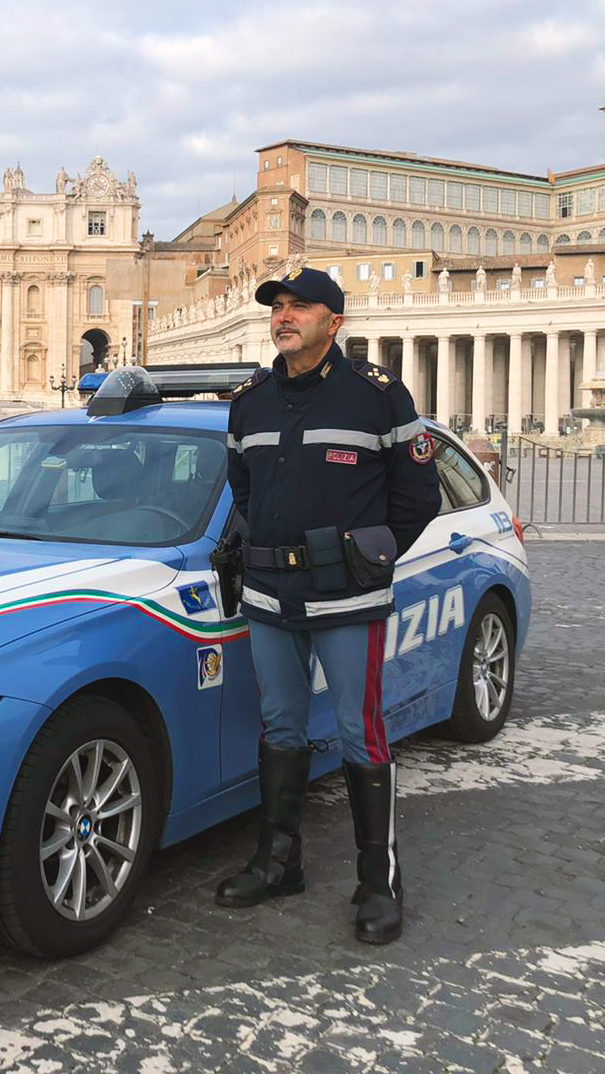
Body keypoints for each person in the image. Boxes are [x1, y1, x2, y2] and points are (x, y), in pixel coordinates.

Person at [215, 266, 441, 944]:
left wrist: (367, 557)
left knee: (358, 733)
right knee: (280, 727)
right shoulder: (249, 399)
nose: (284, 317)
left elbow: (418, 498)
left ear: (333, 322)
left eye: (300, 307)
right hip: (267, 595)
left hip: (347, 597)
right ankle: (279, 861)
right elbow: (244, 493)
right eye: (278, 307)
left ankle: (379, 881)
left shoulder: (378, 396)